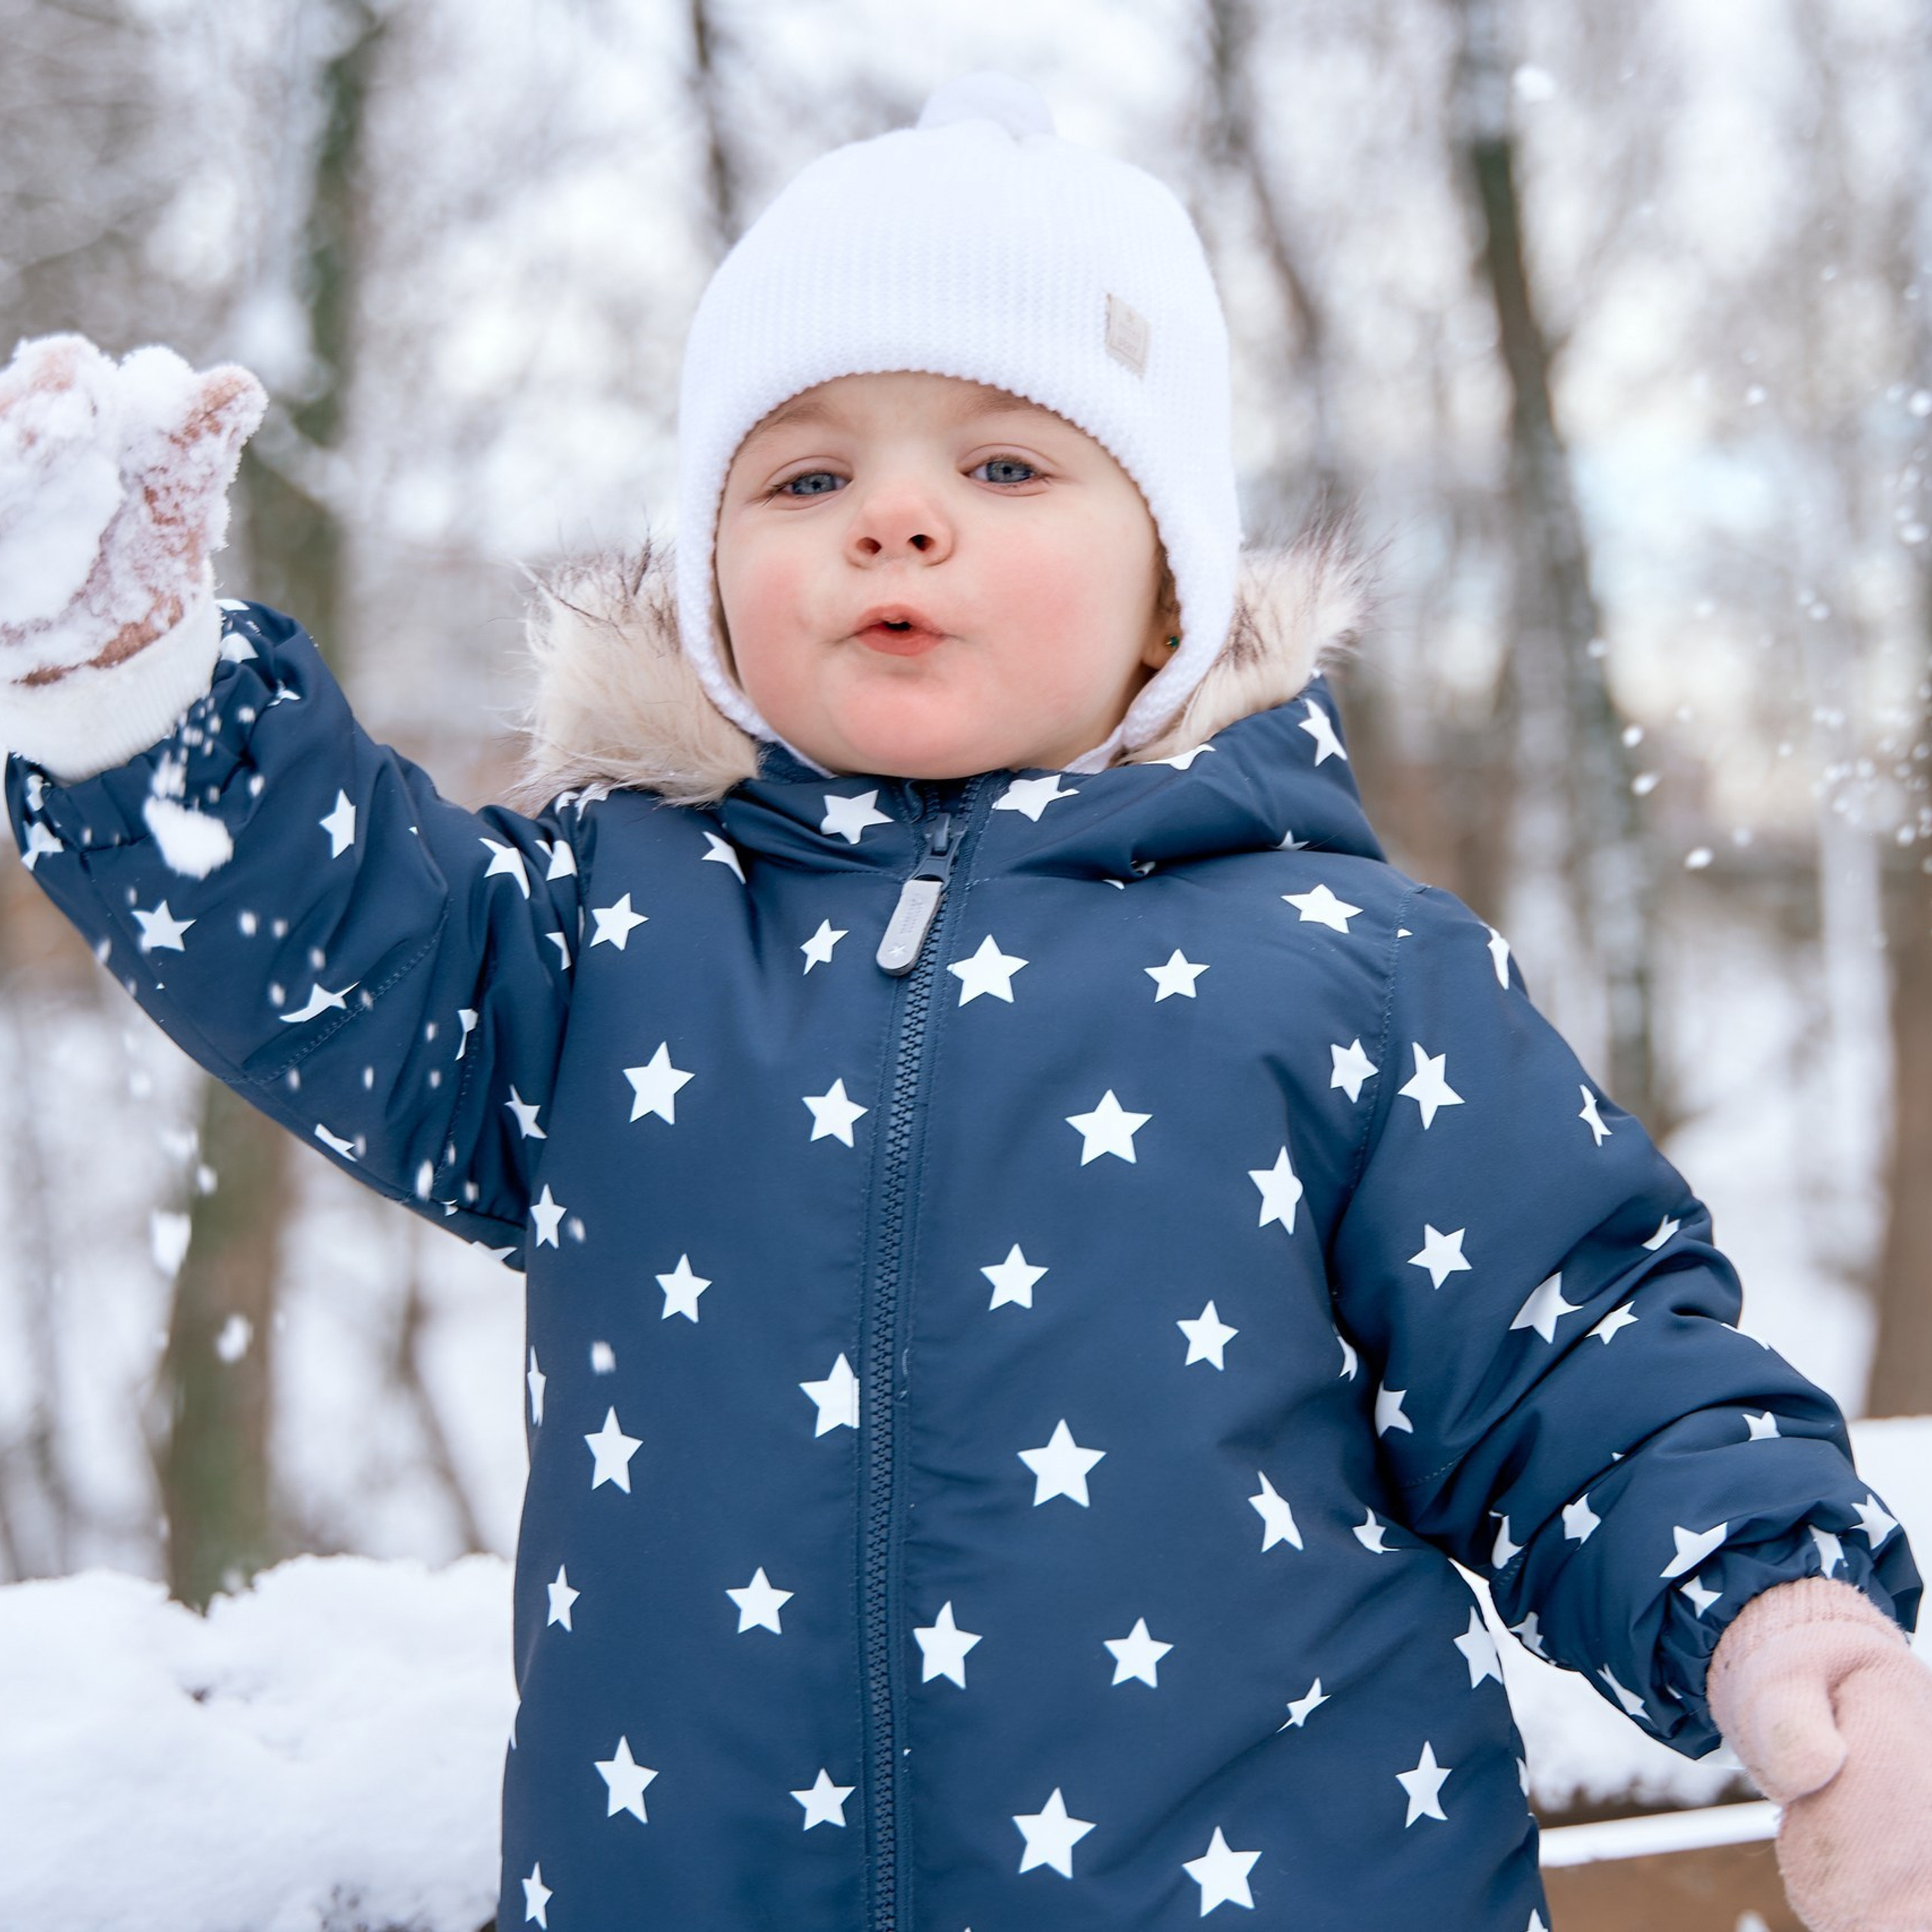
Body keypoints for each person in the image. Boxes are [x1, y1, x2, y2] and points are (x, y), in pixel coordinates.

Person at [2, 68, 1927, 1932]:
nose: (893, 519)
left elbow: (1572, 1354)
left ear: (1165, 583)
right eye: (806, 468)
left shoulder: (1352, 971)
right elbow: (345, 933)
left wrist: (1777, 1609)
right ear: (705, 573)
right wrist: (131, 696)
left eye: (1004, 463)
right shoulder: (598, 940)